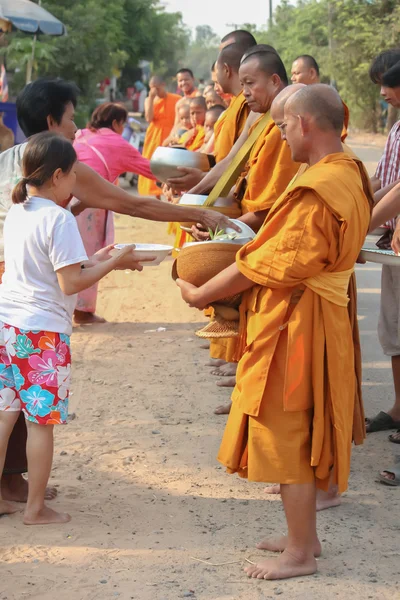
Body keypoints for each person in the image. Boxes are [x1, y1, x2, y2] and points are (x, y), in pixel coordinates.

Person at [0, 77, 237, 505]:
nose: (76, 130)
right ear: (53, 121)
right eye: (71, 119)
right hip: (39, 311)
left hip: (9, 301)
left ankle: (10, 485)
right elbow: (134, 205)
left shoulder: (12, 171)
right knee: (35, 410)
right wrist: (196, 213)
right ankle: (26, 495)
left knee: (7, 403)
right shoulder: (64, 165)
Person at [176, 84, 372, 580]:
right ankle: (302, 536)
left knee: (288, 431)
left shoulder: (319, 187)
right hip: (315, 312)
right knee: (299, 428)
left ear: (304, 123)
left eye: (284, 127)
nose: (281, 138)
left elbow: (269, 262)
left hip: (299, 323)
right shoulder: (347, 172)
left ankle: (300, 555)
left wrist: (200, 294)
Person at [0, 132, 145, 523]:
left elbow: (59, 267)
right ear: (60, 175)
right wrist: (115, 262)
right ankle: (35, 508)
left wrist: (98, 257)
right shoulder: (59, 217)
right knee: (41, 424)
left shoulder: (19, 211)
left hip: (8, 325)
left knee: (4, 415)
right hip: (42, 332)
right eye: (74, 176)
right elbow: (71, 283)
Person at [73, 103, 155, 325]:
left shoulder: (80, 134)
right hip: (91, 206)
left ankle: (69, 307)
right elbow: (149, 169)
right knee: (91, 255)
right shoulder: (117, 142)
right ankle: (82, 311)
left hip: (67, 200)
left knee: (68, 255)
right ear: (117, 123)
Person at [137, 76, 180, 198]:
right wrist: (151, 98)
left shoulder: (176, 99)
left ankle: (172, 190)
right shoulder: (149, 100)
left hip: (170, 133)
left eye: (157, 87)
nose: (155, 90)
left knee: (169, 164)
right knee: (153, 161)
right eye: (152, 88)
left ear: (163, 84)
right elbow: (148, 118)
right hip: (154, 135)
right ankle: (156, 193)